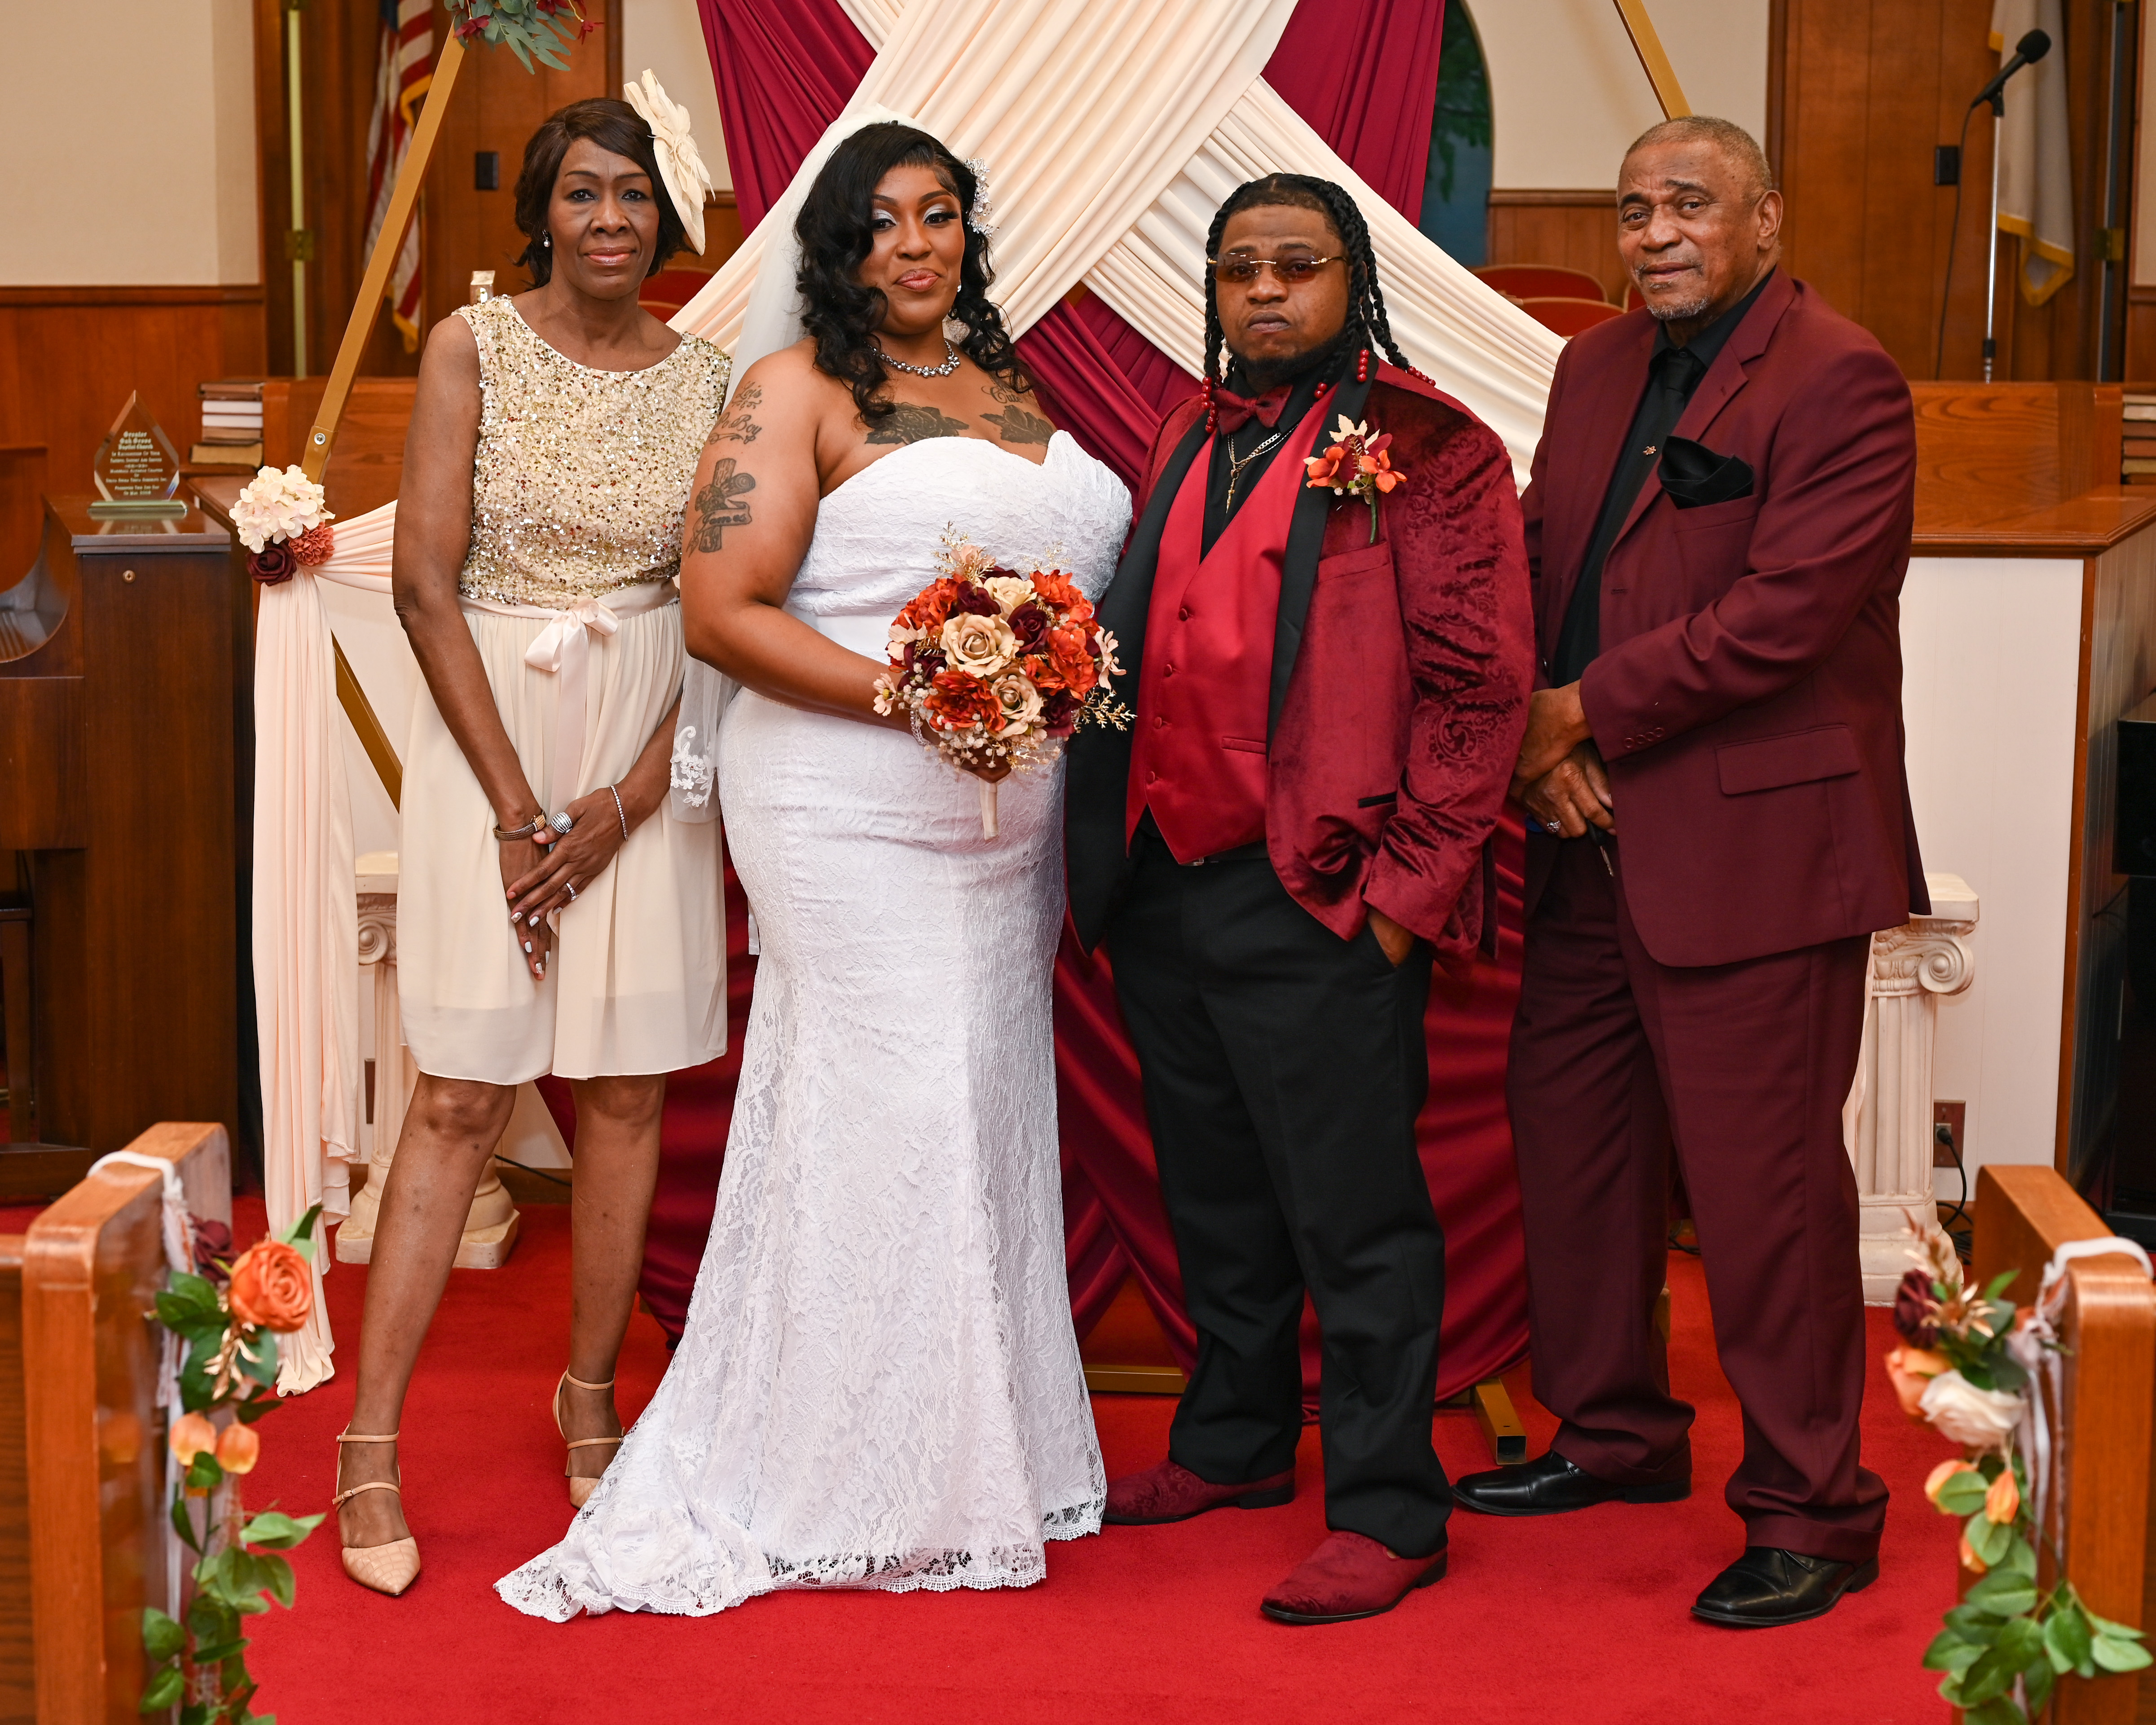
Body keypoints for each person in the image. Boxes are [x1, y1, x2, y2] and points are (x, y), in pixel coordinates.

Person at [497, 120, 1130, 1620]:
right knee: (888, 1106)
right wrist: (928, 695)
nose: (913, 244)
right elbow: (722, 609)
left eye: (938, 215)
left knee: (979, 1107)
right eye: (881, 221)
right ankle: (841, 1469)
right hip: (847, 806)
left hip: (1001, 828)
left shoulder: (1012, 385)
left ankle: (978, 1451)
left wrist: (1020, 687)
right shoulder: (791, 389)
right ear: (836, 247)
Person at [1451, 117, 1924, 1629]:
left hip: (1753, 850)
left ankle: (1812, 1509)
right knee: (1573, 1154)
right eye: (1631, 207)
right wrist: (1532, 749)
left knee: (1762, 1197)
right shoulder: (1591, 365)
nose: (1653, 231)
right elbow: (1539, 560)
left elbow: (1784, 615)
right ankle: (1613, 1435)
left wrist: (1575, 713)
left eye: (1688, 204)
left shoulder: (1840, 375)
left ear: (1764, 218)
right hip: (1582, 832)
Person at [1065, 173, 1533, 1625]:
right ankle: (1235, 1440)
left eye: (1295, 265)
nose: (1264, 290)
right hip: (1164, 883)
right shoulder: (1184, 431)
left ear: (1351, 281)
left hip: (1323, 892)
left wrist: (1400, 895)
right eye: (1239, 269)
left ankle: (1392, 1507)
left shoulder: (1429, 447)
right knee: (1215, 1194)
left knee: (1357, 1217)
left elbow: (1477, 691)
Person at [333, 92, 730, 1597]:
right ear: (543, 215)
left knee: (624, 1090)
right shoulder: (473, 345)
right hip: (488, 727)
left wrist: (626, 800)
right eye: (583, 193)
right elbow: (424, 583)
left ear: (664, 216)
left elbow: (720, 607)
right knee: (458, 1092)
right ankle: (369, 1442)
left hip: (649, 742)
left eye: (633, 194)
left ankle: (591, 1400)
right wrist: (516, 811)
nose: (610, 219)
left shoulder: (711, 381)